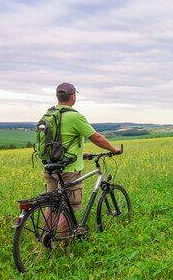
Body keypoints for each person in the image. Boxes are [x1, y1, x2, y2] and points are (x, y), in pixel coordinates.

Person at [44, 82, 121, 234]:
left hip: (50, 166)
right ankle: (63, 242)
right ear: (72, 97)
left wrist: (80, 153)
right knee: (68, 207)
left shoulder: (49, 115)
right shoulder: (74, 116)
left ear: (58, 97)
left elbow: (58, 141)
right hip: (68, 169)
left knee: (51, 205)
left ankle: (46, 237)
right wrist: (113, 149)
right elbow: (96, 137)